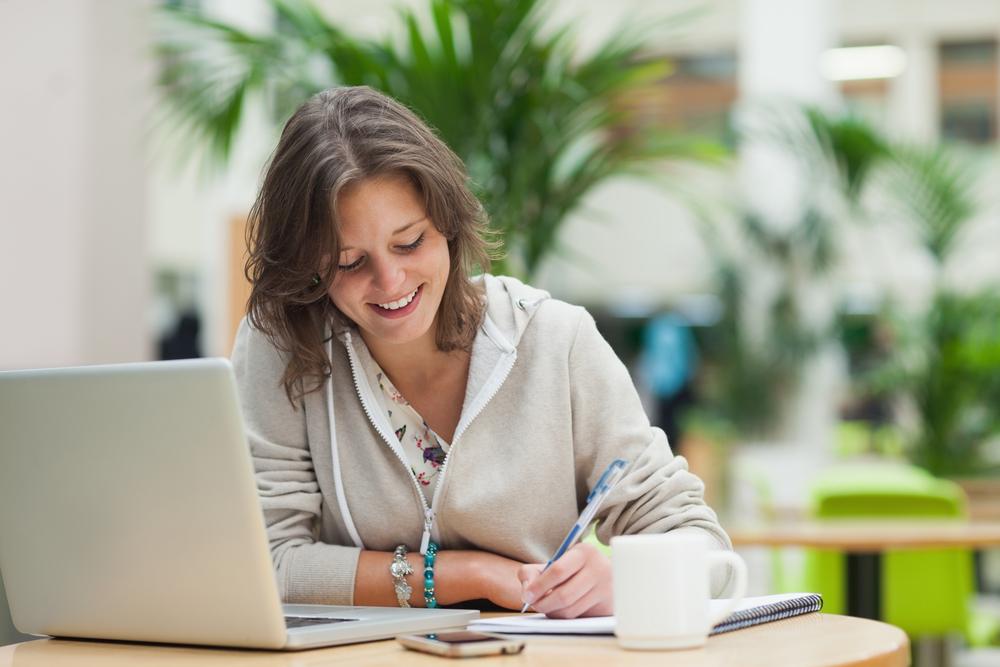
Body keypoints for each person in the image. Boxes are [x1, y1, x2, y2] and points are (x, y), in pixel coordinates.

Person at [232, 86, 733, 619]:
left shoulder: (554, 342)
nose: (390, 280)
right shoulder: (284, 346)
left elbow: (706, 551)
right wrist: (469, 575)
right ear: (308, 265)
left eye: (409, 243)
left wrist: (626, 580)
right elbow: (271, 562)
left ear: (447, 225)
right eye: (350, 262)